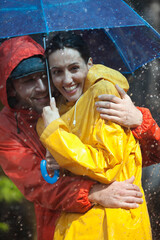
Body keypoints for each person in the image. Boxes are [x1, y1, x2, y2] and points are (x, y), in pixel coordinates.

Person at [0, 35, 145, 240]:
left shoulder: (73, 92)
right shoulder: (6, 128)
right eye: (29, 81)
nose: (42, 87)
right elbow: (37, 185)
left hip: (114, 220)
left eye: (44, 76)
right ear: (11, 87)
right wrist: (93, 194)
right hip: (56, 225)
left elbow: (145, 151)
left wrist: (139, 119)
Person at [38, 32, 152, 239]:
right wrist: (55, 164)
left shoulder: (103, 92)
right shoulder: (52, 115)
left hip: (115, 224)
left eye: (74, 68)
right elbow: (58, 185)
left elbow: (107, 167)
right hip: (74, 226)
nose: (67, 80)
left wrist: (56, 135)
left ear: (89, 64)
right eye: (57, 72)